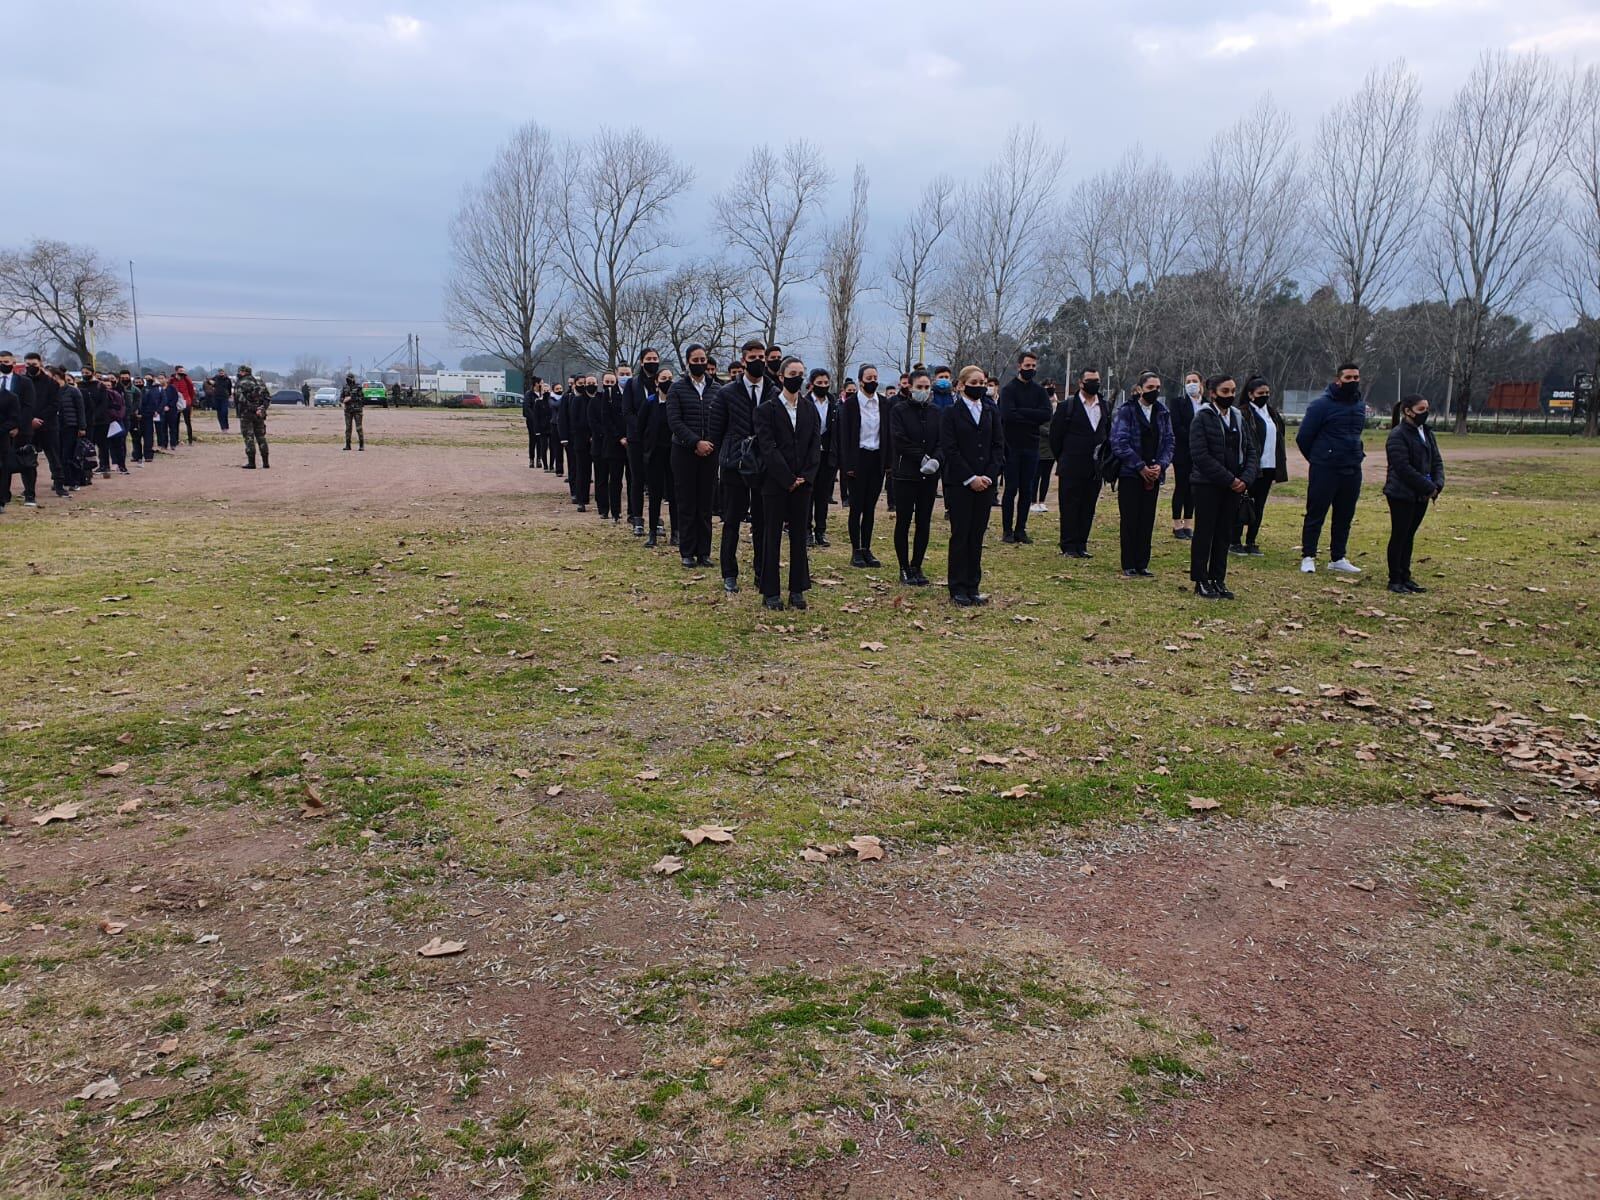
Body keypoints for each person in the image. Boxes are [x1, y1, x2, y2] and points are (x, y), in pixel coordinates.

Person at [754, 355, 822, 610]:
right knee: (772, 536)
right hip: (775, 483)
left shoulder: (809, 408)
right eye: (792, 374)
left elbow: (815, 444)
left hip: (803, 484)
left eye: (801, 373)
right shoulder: (766, 409)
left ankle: (797, 589)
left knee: (799, 538)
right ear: (781, 377)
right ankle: (770, 591)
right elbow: (767, 446)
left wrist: (805, 476)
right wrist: (787, 478)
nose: (798, 378)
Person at [709, 340, 772, 593]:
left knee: (762, 521)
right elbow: (717, 430)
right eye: (754, 357)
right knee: (732, 520)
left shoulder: (773, 390)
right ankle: (729, 573)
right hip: (734, 465)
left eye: (762, 356)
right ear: (744, 360)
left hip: (764, 466)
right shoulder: (726, 393)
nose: (759, 361)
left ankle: (762, 571)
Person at [1189, 374, 1258, 599]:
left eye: (1232, 391)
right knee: (1204, 533)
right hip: (1208, 485)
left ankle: (1218, 578)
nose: (1230, 395)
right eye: (1225, 392)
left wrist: (1245, 479)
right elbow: (1200, 454)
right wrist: (1229, 479)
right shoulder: (1202, 417)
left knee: (1223, 534)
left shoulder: (1238, 417)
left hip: (1234, 487)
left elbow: (1250, 450)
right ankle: (1201, 579)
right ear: (1213, 394)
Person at [940, 365, 1005, 606]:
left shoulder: (990, 410)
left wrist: (988, 475)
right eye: (974, 383)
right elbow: (950, 448)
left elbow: (998, 445)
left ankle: (972, 585)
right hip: (960, 483)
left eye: (982, 383)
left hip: (985, 482)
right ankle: (957, 586)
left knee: (977, 535)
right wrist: (970, 478)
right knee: (961, 534)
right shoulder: (951, 413)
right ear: (961, 385)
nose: (979, 387)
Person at [1296, 362, 1367, 575]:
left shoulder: (1359, 405)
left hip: (1352, 467)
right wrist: (1320, 458)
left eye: (1356, 378)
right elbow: (1304, 437)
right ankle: (1308, 556)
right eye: (1348, 378)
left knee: (1344, 515)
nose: (1353, 381)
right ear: (1338, 380)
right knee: (1316, 513)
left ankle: (1338, 557)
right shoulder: (1321, 405)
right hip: (1325, 469)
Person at [1109, 372, 1174, 578]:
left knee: (1147, 520)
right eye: (1150, 388)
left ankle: (1142, 563)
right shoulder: (1127, 411)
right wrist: (1139, 466)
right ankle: (1128, 562)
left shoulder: (1162, 412)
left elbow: (1169, 442)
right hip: (1131, 473)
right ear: (1140, 389)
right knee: (1130, 520)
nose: (1154, 391)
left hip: (1154, 474)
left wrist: (1161, 466)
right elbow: (1119, 442)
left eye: (1157, 387)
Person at [1383, 394, 1444, 595]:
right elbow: (1402, 467)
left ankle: (1405, 576)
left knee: (1409, 536)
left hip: (1421, 494)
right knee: (1400, 535)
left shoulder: (1427, 433)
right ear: (1408, 411)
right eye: (1421, 410)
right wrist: (1427, 486)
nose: (1425, 413)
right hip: (1402, 493)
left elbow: (1436, 461)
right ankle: (1395, 579)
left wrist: (1437, 484)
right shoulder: (1398, 435)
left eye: (1427, 409)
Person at [665, 344, 718, 569]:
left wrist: (709, 444)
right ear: (687, 362)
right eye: (695, 360)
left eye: (702, 359)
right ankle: (687, 551)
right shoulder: (677, 389)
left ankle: (704, 552)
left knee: (705, 505)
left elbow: (720, 420)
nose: (699, 363)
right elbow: (675, 421)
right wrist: (696, 442)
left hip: (710, 453)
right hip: (684, 452)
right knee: (686, 503)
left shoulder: (717, 389)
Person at [1049, 367, 1110, 558]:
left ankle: (1082, 544)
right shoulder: (1067, 407)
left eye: (1097, 380)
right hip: (1071, 465)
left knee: (1088, 506)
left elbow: (1107, 433)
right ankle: (1068, 545)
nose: (1095, 384)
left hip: (1095, 467)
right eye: (1090, 380)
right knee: (1069, 506)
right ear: (1081, 383)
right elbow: (1055, 437)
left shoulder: (1104, 406)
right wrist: (1064, 457)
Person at [890, 369, 941, 586]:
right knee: (904, 521)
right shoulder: (899, 410)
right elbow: (898, 439)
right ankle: (903, 567)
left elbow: (942, 439)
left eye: (927, 387)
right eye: (919, 387)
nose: (923, 391)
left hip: (929, 476)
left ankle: (917, 565)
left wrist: (936, 460)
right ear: (910, 387)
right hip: (905, 474)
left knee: (923, 522)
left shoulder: (936, 412)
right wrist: (921, 458)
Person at [998, 350, 1051, 545]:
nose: (1031, 369)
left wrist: (1022, 413)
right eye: (1027, 366)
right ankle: (1007, 530)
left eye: (1033, 366)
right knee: (1011, 489)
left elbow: (1046, 414)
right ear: (1019, 366)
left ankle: (1021, 529)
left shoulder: (1039, 391)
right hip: (1011, 446)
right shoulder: (1009, 390)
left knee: (1027, 490)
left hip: (1032, 446)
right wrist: (1032, 415)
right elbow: (1008, 415)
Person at [1231, 376, 1287, 556]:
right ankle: (1235, 541)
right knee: (1242, 503)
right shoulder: (1244, 413)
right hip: (1250, 467)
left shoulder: (1272, 414)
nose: (1265, 396)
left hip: (1269, 468)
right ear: (1250, 394)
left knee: (1259, 505)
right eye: (1260, 393)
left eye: (1267, 393)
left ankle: (1251, 541)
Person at [839, 362, 888, 568]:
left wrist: (888, 462)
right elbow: (844, 436)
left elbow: (887, 434)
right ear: (860, 381)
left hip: (876, 459)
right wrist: (847, 464)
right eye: (869, 378)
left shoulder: (884, 403)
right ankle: (856, 550)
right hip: (857, 459)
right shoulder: (850, 405)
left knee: (870, 508)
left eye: (875, 378)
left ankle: (867, 548)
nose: (873, 381)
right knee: (856, 507)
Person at [633, 364, 676, 547]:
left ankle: (676, 533)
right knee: (655, 495)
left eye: (670, 378)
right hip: (654, 454)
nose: (668, 382)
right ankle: (652, 532)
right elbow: (640, 428)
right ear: (657, 382)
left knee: (674, 495)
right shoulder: (650, 402)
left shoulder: (676, 401)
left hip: (674, 454)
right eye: (664, 379)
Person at [623, 350, 660, 534]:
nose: (652, 362)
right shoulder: (633, 384)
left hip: (658, 439)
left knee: (655, 480)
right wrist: (641, 427)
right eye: (649, 359)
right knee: (637, 479)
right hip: (637, 439)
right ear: (641, 362)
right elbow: (627, 411)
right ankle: (637, 517)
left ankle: (657, 517)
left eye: (655, 359)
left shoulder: (661, 382)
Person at [22, 353, 66, 495]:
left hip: (48, 425)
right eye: (28, 365)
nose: (31, 367)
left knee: (54, 457)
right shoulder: (22, 382)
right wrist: (30, 419)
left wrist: (40, 418)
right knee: (27, 458)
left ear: (40, 363)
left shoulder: (51, 383)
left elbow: (55, 404)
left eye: (34, 365)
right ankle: (29, 489)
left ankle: (59, 485)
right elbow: (20, 403)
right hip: (28, 426)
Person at [0, 353, 38, 508]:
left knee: (26, 463)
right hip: (2, 431)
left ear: (13, 362)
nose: (3, 364)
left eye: (6, 362)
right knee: (3, 465)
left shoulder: (24, 382)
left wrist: (17, 426)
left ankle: (29, 494)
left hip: (21, 429)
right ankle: (4, 495)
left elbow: (28, 406)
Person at [590, 370, 627, 522]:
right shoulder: (597, 400)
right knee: (603, 478)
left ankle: (620, 511)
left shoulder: (625, 396)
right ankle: (604, 508)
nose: (609, 385)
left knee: (617, 479)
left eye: (612, 382)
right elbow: (597, 421)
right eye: (607, 382)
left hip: (620, 442)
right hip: (604, 443)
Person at [807, 369, 838, 547]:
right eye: (820, 383)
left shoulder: (833, 404)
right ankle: (806, 531)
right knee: (807, 495)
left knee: (823, 495)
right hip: (809, 456)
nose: (823, 386)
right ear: (812, 384)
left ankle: (821, 531)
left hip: (827, 455)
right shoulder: (804, 402)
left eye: (826, 383)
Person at [1171, 370, 1200, 540]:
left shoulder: (1206, 404)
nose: (1191, 384)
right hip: (1183, 453)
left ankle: (1188, 524)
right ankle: (1177, 524)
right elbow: (1177, 426)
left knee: (1193, 489)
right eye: (1188, 381)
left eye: (1194, 380)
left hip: (1200, 455)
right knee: (1181, 486)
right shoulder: (1178, 403)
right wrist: (1195, 438)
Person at [235, 365, 271, 469]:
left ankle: (251, 463)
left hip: (246, 414)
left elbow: (240, 399)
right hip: (260, 414)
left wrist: (253, 408)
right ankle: (265, 462)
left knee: (249, 438)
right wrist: (262, 409)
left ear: (242, 372)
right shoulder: (259, 382)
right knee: (261, 437)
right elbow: (267, 397)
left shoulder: (241, 383)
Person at [1033, 379, 1058, 513]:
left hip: (1051, 447)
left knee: (1046, 476)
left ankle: (1042, 501)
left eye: (1052, 386)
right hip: (1039, 444)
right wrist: (1049, 432)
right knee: (1035, 475)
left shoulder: (1057, 404)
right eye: (1048, 386)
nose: (1051, 388)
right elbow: (1036, 423)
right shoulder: (1037, 403)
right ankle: (1032, 501)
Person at [137, 373, 160, 465]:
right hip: (135, 417)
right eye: (136, 382)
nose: (138, 383)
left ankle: (148, 455)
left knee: (148, 437)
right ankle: (137, 455)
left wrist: (144, 413)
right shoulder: (135, 391)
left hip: (147, 416)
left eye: (140, 382)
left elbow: (153, 403)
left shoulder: (150, 390)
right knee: (136, 438)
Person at [340, 372, 366, 451]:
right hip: (348, 411)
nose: (348, 380)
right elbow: (341, 398)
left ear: (353, 379)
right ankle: (348, 445)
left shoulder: (358, 387)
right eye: (347, 378)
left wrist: (351, 398)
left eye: (350, 378)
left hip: (357, 410)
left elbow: (362, 399)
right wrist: (344, 400)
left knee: (359, 428)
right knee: (348, 428)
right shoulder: (345, 387)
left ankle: (361, 445)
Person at [172, 366, 196, 443]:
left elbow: (191, 390)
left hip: (186, 402)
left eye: (183, 371)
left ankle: (190, 439)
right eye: (180, 371)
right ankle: (175, 440)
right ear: (176, 371)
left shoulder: (187, 380)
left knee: (187, 422)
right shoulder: (172, 380)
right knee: (175, 422)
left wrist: (191, 402)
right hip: (176, 403)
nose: (182, 372)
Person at [212, 368, 232, 432]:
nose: (221, 373)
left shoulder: (227, 379)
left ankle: (226, 426)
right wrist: (209, 382)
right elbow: (209, 382)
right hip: (216, 397)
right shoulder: (215, 378)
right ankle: (223, 428)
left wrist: (229, 394)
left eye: (222, 372)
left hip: (225, 397)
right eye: (220, 372)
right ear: (218, 372)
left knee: (224, 412)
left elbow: (229, 388)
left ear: (224, 372)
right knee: (219, 413)